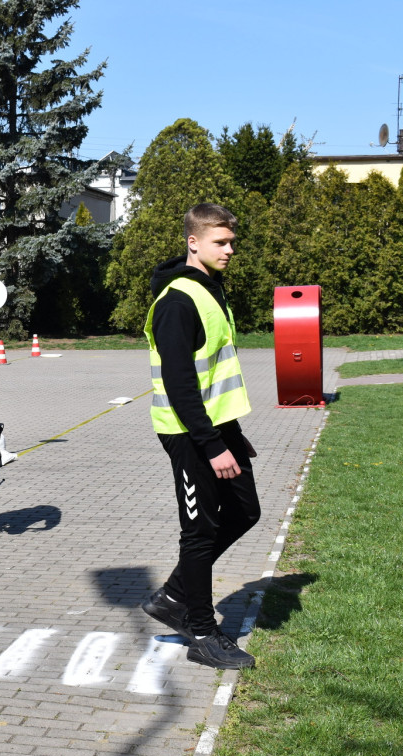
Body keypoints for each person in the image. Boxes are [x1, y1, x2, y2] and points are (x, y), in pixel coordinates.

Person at [140, 203, 261, 670]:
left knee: (245, 510)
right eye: (220, 242)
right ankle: (203, 633)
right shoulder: (177, 300)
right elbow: (180, 383)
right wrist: (211, 445)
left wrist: (233, 433)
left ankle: (173, 595)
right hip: (188, 433)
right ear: (194, 242)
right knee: (200, 531)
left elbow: (215, 374)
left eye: (231, 242)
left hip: (216, 427)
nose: (229, 249)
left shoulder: (211, 290)